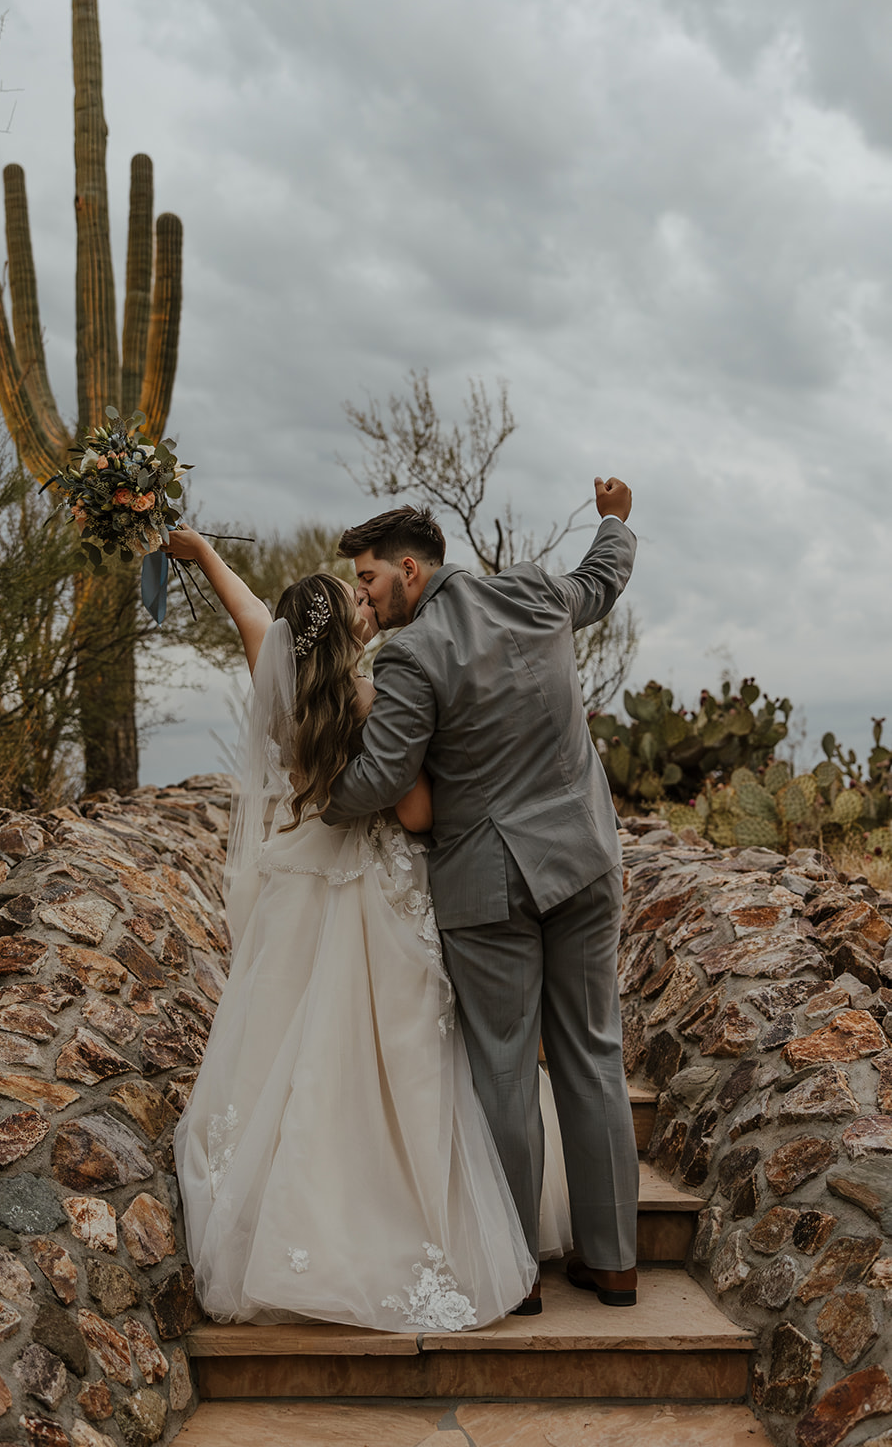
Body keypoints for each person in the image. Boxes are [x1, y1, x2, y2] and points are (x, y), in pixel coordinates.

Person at [167, 525, 572, 1331]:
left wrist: (204, 556)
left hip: (298, 893)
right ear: (345, 628)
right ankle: (403, 1217)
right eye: (354, 596)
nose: (366, 598)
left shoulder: (276, 679)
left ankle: (293, 1225)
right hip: (374, 892)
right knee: (400, 1058)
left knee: (294, 1050)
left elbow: (253, 613)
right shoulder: (369, 694)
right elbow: (416, 809)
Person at [323, 480, 640, 1310]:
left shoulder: (408, 656)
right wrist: (614, 517)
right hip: (582, 859)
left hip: (486, 882)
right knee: (593, 1054)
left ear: (411, 569)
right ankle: (612, 1263)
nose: (362, 593)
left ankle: (515, 1272)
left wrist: (316, 796)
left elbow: (386, 775)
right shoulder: (536, 592)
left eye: (368, 577)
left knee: (501, 1069)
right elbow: (602, 580)